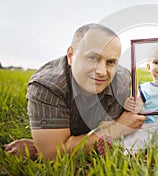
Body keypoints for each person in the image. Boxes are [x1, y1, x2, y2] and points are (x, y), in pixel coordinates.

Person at [4, 23, 146, 160]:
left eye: (111, 62)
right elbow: (53, 154)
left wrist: (47, 145)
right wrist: (117, 129)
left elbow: (107, 129)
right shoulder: (47, 86)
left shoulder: (121, 79)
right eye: (92, 58)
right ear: (71, 56)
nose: (102, 72)